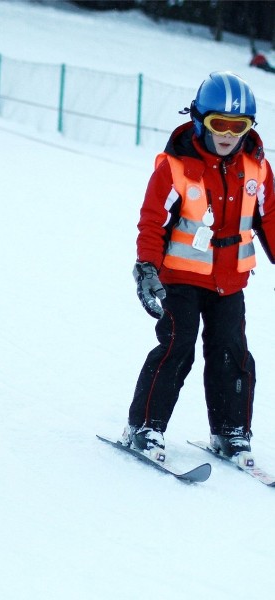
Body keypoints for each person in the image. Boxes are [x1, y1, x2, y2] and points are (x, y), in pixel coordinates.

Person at [124, 71, 275, 465]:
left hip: (229, 282)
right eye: (218, 124)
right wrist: (147, 268)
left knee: (232, 353)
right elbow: (152, 220)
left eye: (238, 126)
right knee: (177, 347)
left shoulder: (256, 170)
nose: (228, 134)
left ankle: (231, 432)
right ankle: (145, 426)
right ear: (199, 120)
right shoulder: (175, 168)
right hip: (179, 280)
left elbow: (270, 218)